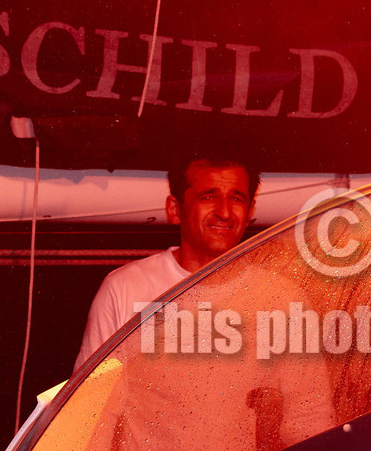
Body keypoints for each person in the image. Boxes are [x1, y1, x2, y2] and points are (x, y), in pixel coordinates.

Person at [74, 152, 258, 371]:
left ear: (250, 212)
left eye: (236, 199)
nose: (225, 213)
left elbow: (296, 395)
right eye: (208, 197)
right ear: (175, 210)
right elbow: (89, 398)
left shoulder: (278, 294)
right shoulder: (125, 287)